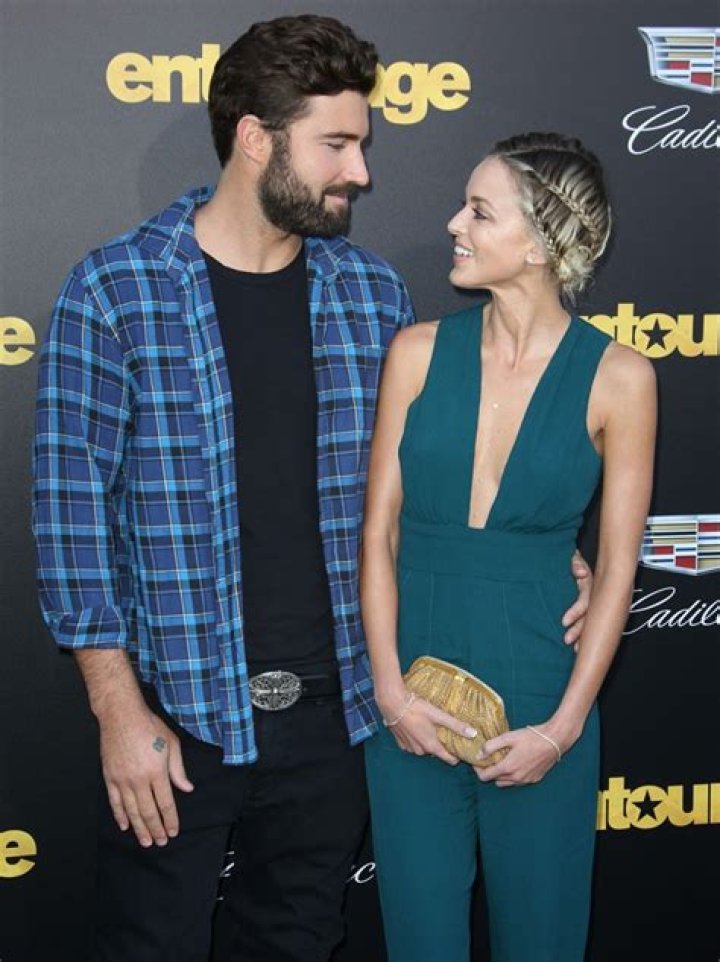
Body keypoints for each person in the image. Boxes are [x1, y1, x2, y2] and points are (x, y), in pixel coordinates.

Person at [31, 13, 592, 958]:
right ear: (256, 138)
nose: (360, 173)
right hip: (179, 717)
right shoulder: (116, 292)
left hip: (342, 719)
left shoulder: (371, 297)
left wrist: (543, 552)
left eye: (361, 146)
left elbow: (436, 472)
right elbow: (71, 521)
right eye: (337, 145)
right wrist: (119, 713)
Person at [361, 132, 656, 962]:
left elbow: (618, 566)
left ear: (538, 243)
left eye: (479, 212)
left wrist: (562, 730)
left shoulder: (622, 378)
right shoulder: (416, 353)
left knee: (542, 941)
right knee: (420, 941)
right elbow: (378, 532)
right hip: (410, 694)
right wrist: (389, 693)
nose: (454, 224)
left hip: (542, 694)